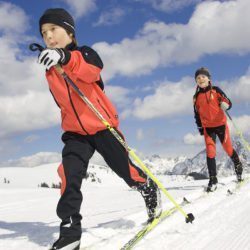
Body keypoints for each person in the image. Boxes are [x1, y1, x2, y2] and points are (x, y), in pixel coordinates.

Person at [37, 8, 161, 250]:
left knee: (126, 171)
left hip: (101, 125)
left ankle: (147, 187)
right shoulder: (49, 70)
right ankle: (70, 231)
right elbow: (62, 102)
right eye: (43, 32)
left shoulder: (84, 53)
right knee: (68, 174)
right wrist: (57, 63)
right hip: (75, 133)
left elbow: (93, 70)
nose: (48, 36)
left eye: (54, 29)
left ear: (70, 33)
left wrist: (65, 58)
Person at [193, 67, 243, 192]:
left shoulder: (216, 90)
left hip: (221, 125)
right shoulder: (196, 96)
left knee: (228, 148)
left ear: (209, 79)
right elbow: (196, 114)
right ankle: (213, 179)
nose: (201, 79)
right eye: (198, 78)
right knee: (210, 152)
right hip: (207, 128)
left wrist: (226, 104)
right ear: (196, 81)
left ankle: (238, 166)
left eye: (203, 77)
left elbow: (228, 102)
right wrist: (200, 126)